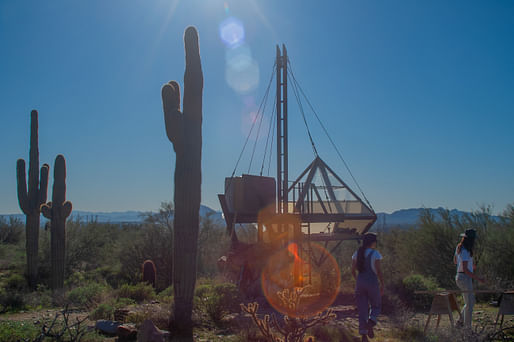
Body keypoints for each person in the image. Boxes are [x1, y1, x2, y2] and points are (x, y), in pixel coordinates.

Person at [352, 233, 384, 342]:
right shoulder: (375, 254)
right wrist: (382, 284)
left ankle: (363, 335)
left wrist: (358, 280)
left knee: (362, 309)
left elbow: (352, 270)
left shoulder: (357, 253)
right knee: (376, 305)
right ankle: (371, 322)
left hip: (360, 282)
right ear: (373, 242)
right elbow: (378, 271)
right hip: (372, 282)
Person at [454, 228, 485, 328]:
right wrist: (478, 279)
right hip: (464, 277)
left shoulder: (459, 248)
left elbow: (455, 261)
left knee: (469, 302)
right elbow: (466, 270)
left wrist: (471, 265)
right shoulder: (465, 251)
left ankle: (460, 322)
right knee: (470, 304)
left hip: (460, 276)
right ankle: (467, 329)